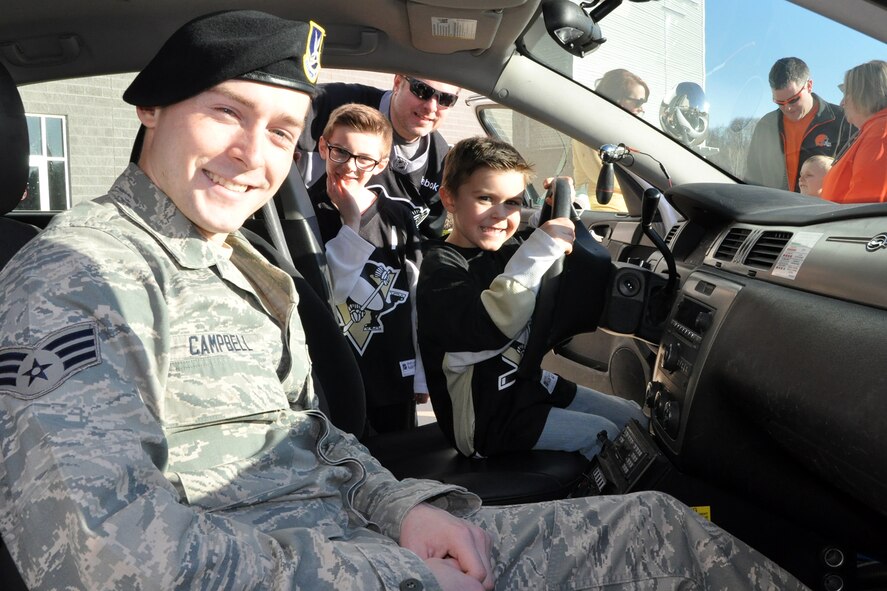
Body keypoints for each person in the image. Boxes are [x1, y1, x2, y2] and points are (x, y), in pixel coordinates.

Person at [0, 10, 808, 591]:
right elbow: (100, 560)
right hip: (303, 564)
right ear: (152, 107)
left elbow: (306, 432)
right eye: (224, 112)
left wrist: (398, 509)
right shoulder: (76, 276)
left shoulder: (230, 258)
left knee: (659, 527)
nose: (252, 155)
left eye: (281, 131)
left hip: (347, 540)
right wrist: (388, 571)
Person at [418, 136, 647, 461]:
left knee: (631, 416)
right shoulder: (439, 268)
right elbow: (487, 327)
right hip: (485, 420)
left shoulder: (507, 250)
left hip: (525, 385)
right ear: (450, 199)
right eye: (485, 198)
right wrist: (540, 247)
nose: (500, 215)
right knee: (606, 435)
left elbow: (540, 257)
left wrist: (556, 209)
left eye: (511, 202)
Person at [309, 102, 426, 433]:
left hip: (392, 371)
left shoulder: (398, 215)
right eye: (340, 152)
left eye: (365, 160)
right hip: (339, 373)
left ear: (381, 164)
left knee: (399, 461)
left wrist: (420, 372)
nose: (350, 166)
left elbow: (416, 291)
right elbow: (329, 292)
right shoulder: (304, 213)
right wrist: (350, 223)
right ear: (323, 146)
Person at [298, 74, 460, 239]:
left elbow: (426, 240)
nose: (431, 107)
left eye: (446, 99)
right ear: (397, 83)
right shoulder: (330, 104)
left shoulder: (441, 160)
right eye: (421, 90)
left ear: (381, 164)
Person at [746, 56, 853, 192]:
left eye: (793, 100)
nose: (787, 108)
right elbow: (752, 177)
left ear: (809, 85)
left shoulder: (843, 120)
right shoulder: (766, 125)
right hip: (772, 209)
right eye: (780, 103)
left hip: (823, 211)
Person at [570, 69, 648, 213]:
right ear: (616, 98)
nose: (641, 108)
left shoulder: (586, 128)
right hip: (612, 212)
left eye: (643, 102)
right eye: (638, 102)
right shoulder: (602, 135)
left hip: (599, 210)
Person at [821, 60, 887, 203]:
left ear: (864, 94)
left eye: (846, 94)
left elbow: (865, 207)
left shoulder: (880, 133)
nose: (842, 103)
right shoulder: (875, 130)